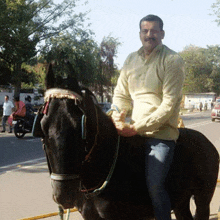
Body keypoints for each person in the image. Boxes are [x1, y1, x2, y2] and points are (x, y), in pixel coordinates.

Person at [111, 15, 185, 220]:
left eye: (154, 31)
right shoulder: (130, 60)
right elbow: (120, 94)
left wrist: (136, 128)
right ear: (140, 34)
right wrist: (118, 116)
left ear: (162, 34)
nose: (149, 35)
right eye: (145, 31)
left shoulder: (172, 60)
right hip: (131, 131)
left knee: (155, 186)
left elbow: (169, 105)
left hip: (160, 135)